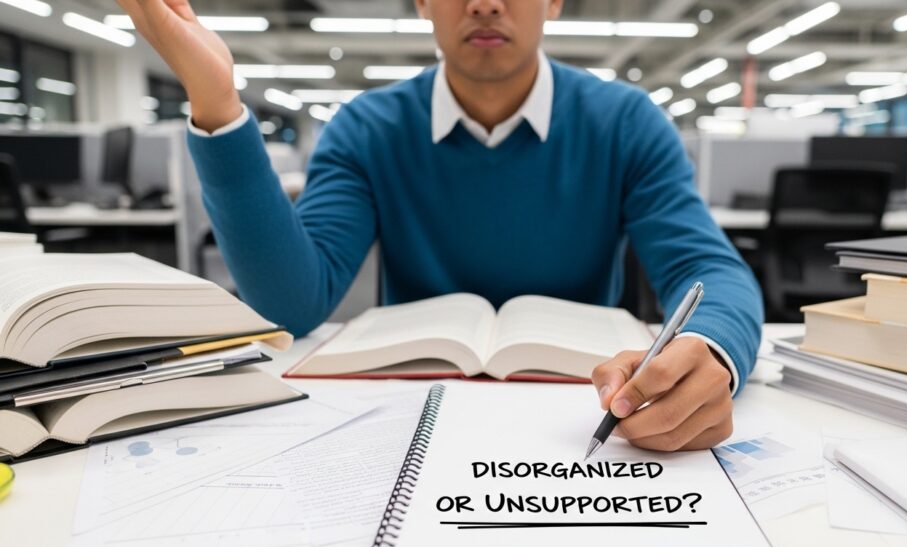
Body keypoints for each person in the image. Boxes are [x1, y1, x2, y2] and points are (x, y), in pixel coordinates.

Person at [117, 0, 763, 452]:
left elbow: (708, 270)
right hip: (403, 412)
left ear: (555, 0)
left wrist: (710, 350)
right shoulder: (367, 128)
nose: (484, 3)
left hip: (586, 410)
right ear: (423, 1)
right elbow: (289, 303)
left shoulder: (624, 122)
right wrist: (216, 101)